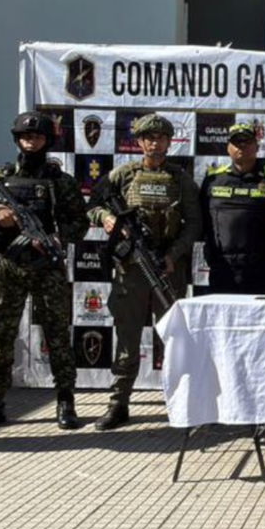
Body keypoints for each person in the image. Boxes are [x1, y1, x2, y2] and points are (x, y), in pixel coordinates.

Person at [0, 112, 89, 433]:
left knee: (57, 335)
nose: (31, 143)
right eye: (26, 137)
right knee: (0, 338)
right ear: (17, 139)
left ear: (48, 141)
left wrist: (59, 237)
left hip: (47, 269)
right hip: (7, 267)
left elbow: (80, 221)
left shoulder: (61, 182)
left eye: (38, 137)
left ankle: (65, 399)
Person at [88, 114, 202, 431]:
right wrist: (107, 219)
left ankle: (179, 403)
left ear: (169, 142)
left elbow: (194, 224)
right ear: (139, 142)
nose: (155, 143)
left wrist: (173, 255)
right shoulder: (122, 175)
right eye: (149, 138)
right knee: (127, 338)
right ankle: (118, 403)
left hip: (166, 268)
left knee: (172, 339)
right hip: (130, 270)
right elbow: (93, 205)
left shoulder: (181, 179)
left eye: (161, 137)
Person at [199, 123, 265, 295]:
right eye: (237, 142)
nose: (242, 146)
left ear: (257, 147)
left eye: (247, 142)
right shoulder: (213, 180)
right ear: (228, 148)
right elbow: (201, 221)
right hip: (223, 268)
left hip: (261, 269)